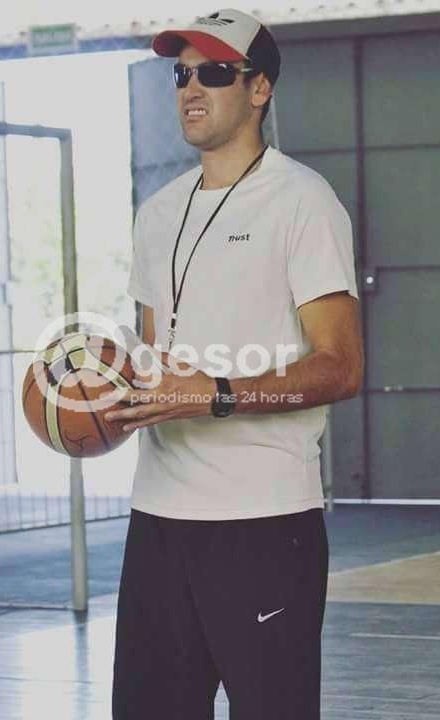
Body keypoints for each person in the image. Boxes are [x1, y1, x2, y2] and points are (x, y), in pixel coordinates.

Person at [106, 8, 364, 719]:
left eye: (216, 72)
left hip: (263, 522)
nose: (192, 88)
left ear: (259, 89)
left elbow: (340, 366)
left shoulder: (302, 201)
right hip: (158, 520)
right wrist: (100, 399)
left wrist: (216, 394)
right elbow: (156, 361)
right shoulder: (157, 213)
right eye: (182, 74)